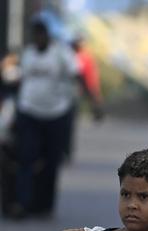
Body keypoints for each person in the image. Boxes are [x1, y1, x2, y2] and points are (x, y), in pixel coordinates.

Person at [11, 19, 95, 219]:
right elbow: (19, 80)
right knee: (26, 158)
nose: (38, 39)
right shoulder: (28, 54)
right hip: (29, 111)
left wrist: (93, 101)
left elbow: (78, 76)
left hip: (55, 114)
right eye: (35, 35)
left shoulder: (61, 54)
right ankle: (23, 203)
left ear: (47, 35)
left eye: (42, 35)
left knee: (51, 162)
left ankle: (44, 205)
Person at [65, 35, 105, 161]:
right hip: (60, 95)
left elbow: (90, 78)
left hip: (73, 95)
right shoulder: (65, 56)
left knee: (69, 124)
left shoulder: (85, 58)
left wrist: (95, 97)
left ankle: (66, 150)